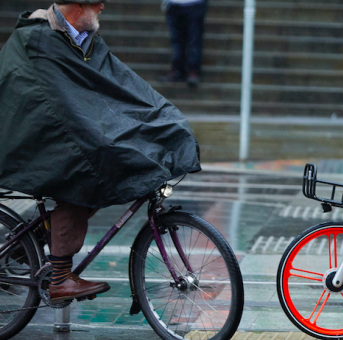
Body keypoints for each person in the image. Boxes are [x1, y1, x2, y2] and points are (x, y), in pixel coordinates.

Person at [0, 0, 201, 304]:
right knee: (85, 174)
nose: (103, 7)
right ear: (78, 7)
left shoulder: (87, 40)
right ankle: (60, 279)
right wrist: (99, 136)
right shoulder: (39, 39)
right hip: (34, 134)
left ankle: (34, 243)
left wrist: (165, 118)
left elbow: (121, 86)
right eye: (97, 3)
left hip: (64, 129)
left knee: (104, 169)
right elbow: (57, 103)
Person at [158, 0, 208, 88]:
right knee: (176, 40)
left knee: (194, 39)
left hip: (195, 4)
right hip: (174, 4)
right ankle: (178, 69)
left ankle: (193, 71)